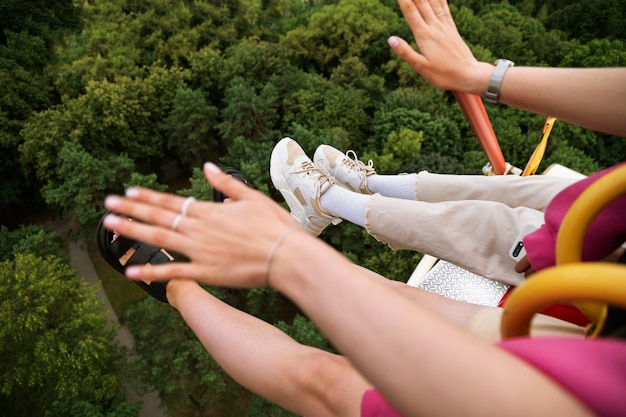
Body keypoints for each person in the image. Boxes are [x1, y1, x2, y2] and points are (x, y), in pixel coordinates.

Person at [99, 0, 626, 415]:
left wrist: (289, 259)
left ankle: (177, 283)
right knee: (517, 198)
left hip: (594, 374)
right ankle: (356, 190)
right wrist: (483, 77)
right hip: (603, 314)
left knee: (326, 385)